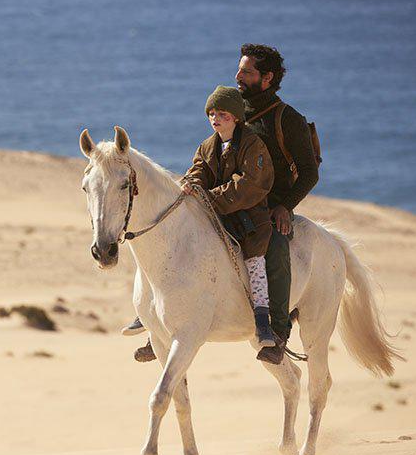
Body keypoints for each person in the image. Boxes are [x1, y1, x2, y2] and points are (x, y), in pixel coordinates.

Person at [132, 85, 279, 363]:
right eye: (211, 113)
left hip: (248, 219)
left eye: (222, 113)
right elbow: (199, 169)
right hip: (213, 214)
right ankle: (154, 320)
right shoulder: (208, 145)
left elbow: (249, 184)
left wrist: (209, 198)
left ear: (235, 117)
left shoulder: (252, 145)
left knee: (255, 262)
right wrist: (192, 185)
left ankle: (262, 319)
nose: (215, 118)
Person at [236, 44, 319, 363]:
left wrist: (285, 207)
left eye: (247, 71)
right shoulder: (233, 108)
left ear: (267, 78)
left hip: (270, 207)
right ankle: (153, 321)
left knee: (277, 250)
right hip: (232, 197)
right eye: (240, 69)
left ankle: (279, 333)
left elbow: (310, 173)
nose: (238, 76)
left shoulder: (288, 119)